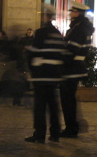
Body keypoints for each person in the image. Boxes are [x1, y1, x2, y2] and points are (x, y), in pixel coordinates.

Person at [24, 13, 66, 143]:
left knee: (40, 107)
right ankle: (55, 133)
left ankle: (40, 134)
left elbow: (33, 52)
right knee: (53, 106)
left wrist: (32, 69)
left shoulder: (40, 33)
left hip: (41, 75)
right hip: (54, 75)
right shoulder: (57, 34)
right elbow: (62, 54)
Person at [60, 1, 94, 138]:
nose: (70, 13)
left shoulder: (79, 29)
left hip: (71, 69)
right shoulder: (80, 27)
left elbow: (71, 50)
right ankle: (71, 127)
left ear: (77, 13)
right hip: (73, 68)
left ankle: (71, 128)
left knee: (67, 100)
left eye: (72, 11)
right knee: (68, 100)